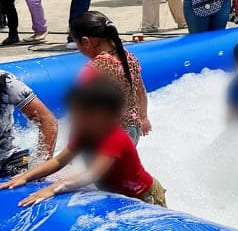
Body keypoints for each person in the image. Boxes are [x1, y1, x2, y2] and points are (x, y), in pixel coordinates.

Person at [0, 80, 166, 207]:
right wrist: (26, 176)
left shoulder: (115, 139)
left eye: (82, 115)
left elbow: (92, 174)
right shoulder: (85, 134)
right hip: (117, 191)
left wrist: (53, 188)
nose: (75, 119)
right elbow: (58, 161)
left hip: (144, 194)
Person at [71, 11, 150, 144]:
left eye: (77, 44)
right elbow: (140, 91)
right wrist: (144, 117)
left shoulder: (94, 68)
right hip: (133, 128)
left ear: (86, 42)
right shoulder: (128, 57)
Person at [0, 71, 57, 178]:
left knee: (57, 171)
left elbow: (47, 121)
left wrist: (40, 170)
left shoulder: (6, 82)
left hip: (8, 159)